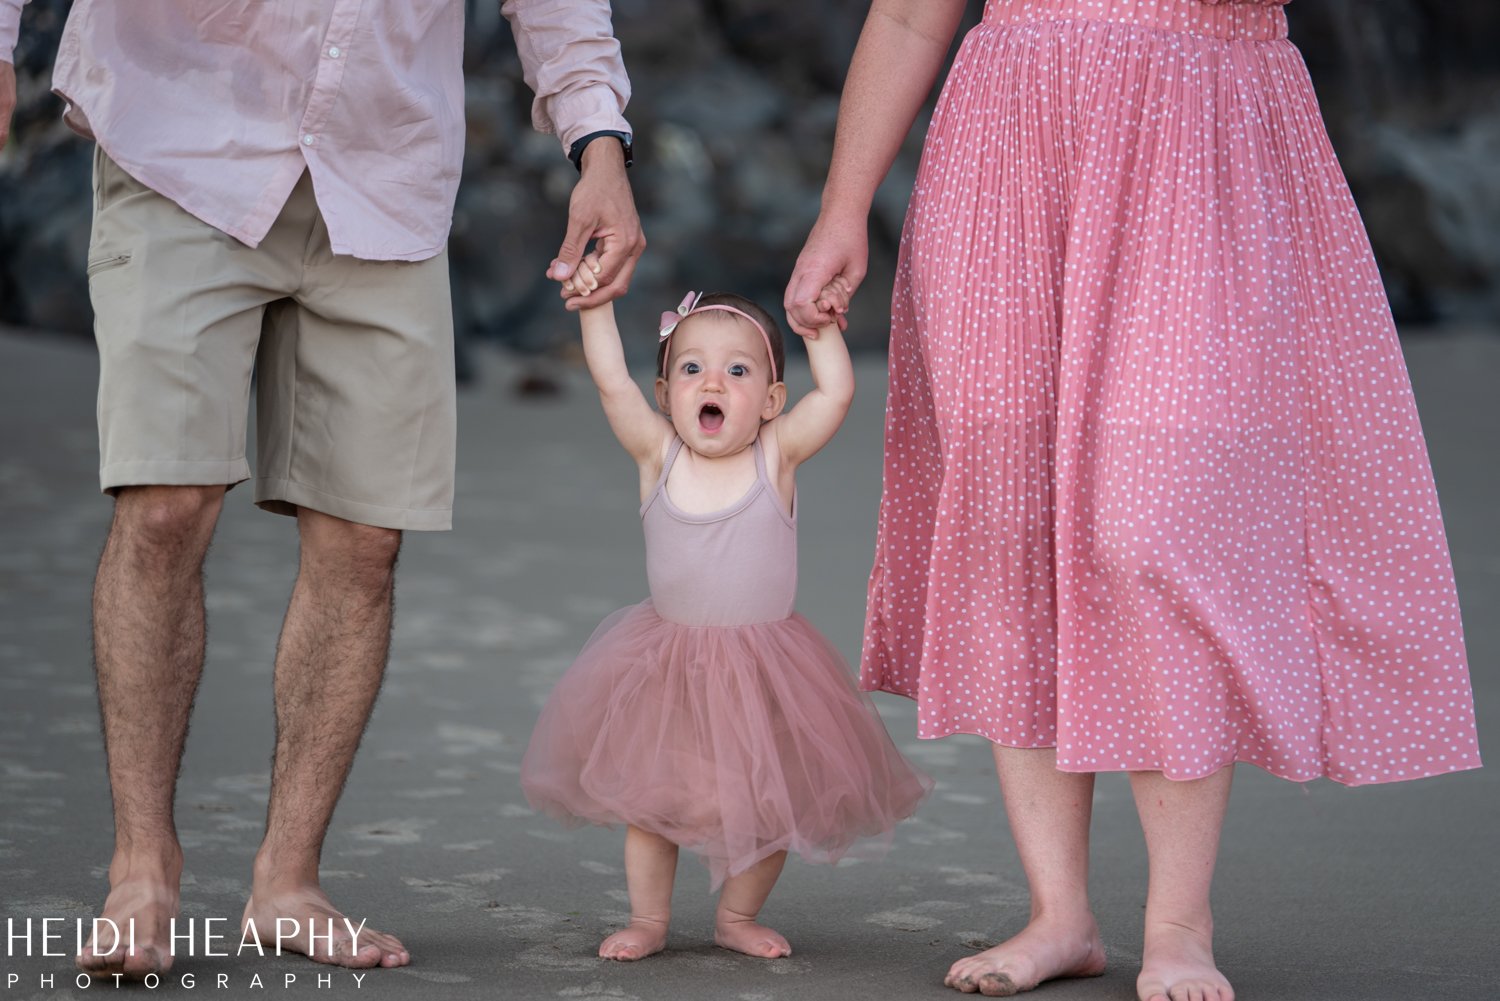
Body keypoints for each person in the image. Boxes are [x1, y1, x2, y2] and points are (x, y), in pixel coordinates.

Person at [785, 1, 1482, 1000]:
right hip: (1008, 147)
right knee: (1007, 523)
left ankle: (1178, 924)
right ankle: (1058, 912)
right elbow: (904, 15)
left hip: (1205, 144)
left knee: (1157, 530)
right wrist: (843, 208)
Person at [0, 0, 645, 979]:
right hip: (180, 145)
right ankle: (142, 865)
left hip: (382, 169)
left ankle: (287, 881)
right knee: (165, 504)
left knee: (364, 538)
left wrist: (599, 146)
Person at [520, 272, 932, 961]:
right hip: (666, 664)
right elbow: (612, 383)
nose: (712, 381)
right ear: (665, 395)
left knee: (770, 804)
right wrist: (596, 310)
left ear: (772, 401)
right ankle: (648, 918)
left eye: (737, 370)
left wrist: (819, 327)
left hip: (766, 667)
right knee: (652, 804)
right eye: (691, 368)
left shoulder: (776, 456)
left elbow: (835, 392)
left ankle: (737, 915)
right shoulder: (659, 454)